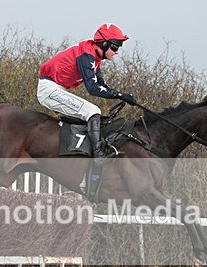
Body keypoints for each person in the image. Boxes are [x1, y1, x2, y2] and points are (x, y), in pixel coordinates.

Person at [37, 23, 136, 164]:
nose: (117, 51)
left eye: (119, 47)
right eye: (115, 47)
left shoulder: (95, 57)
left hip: (56, 88)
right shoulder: (87, 55)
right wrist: (119, 95)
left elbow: (102, 85)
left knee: (93, 114)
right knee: (93, 111)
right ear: (103, 44)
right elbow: (93, 88)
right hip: (49, 90)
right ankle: (98, 154)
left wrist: (124, 96)